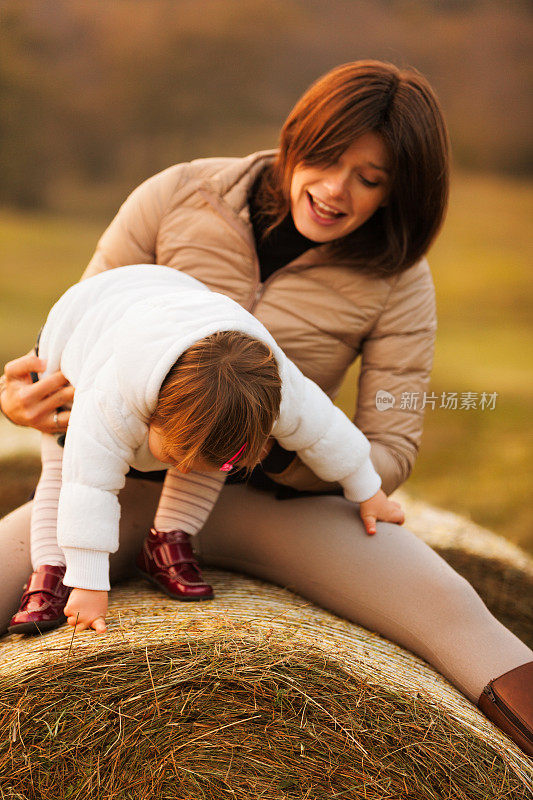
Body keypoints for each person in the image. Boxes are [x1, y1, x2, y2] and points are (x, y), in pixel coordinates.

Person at [1, 60, 531, 755]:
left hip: (279, 505)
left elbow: (389, 449)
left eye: (369, 179)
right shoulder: (176, 194)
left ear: (400, 190)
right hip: (124, 486)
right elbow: (83, 337)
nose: (335, 191)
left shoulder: (399, 279)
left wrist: (257, 441)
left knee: (458, 614)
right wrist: (25, 398)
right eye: (323, 159)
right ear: (295, 137)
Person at [7, 264, 401, 635]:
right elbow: (88, 487)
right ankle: (51, 569)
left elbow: (327, 431)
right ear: (152, 414)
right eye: (177, 457)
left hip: (184, 308)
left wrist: (368, 488)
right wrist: (90, 583)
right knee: (64, 467)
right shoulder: (109, 398)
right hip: (81, 324)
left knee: (214, 455)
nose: (186, 470)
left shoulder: (278, 390)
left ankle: (166, 539)